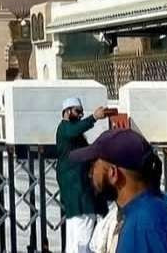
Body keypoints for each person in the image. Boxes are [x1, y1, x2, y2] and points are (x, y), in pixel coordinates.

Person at [71, 127, 167, 253]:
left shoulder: (142, 227)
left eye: (94, 165)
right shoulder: (154, 209)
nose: (90, 174)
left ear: (113, 173)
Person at [55, 97, 109, 252]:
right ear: (66, 112)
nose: (79, 115)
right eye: (77, 111)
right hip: (78, 194)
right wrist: (94, 117)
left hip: (78, 194)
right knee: (83, 236)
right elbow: (75, 129)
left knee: (74, 239)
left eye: (81, 112)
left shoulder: (73, 133)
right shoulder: (65, 128)